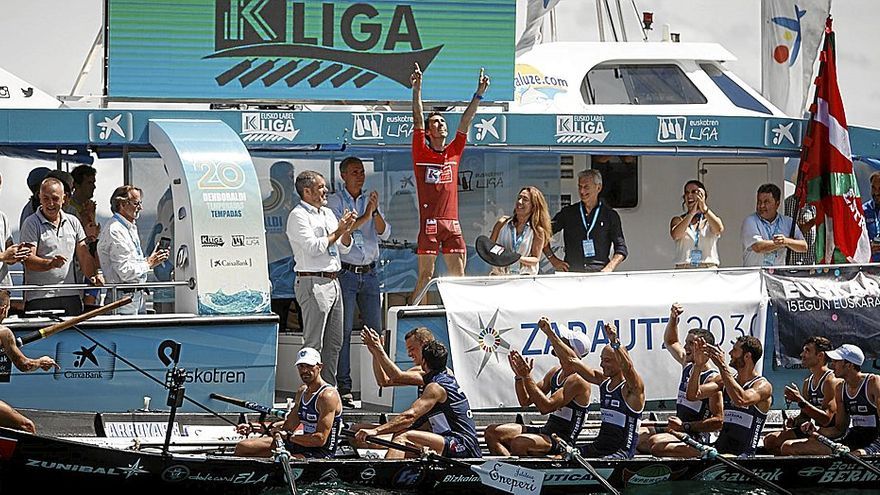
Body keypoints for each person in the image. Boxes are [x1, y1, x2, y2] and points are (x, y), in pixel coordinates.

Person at [409, 63, 489, 304]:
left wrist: (479, 94)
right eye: (435, 123)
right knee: (425, 276)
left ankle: (461, 315)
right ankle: (410, 320)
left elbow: (466, 120)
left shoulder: (453, 151)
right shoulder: (421, 151)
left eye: (443, 122)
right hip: (430, 225)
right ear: (428, 132)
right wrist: (417, 89)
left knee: (459, 278)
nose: (441, 125)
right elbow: (417, 119)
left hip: (452, 225)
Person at [327, 156, 390, 407]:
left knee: (375, 331)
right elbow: (344, 231)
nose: (360, 176)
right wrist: (366, 214)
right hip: (347, 273)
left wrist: (373, 213)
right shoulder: (334, 201)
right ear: (343, 175)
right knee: (343, 332)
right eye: (355, 172)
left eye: (362, 171)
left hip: (370, 273)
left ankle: (381, 383)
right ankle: (344, 385)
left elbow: (385, 231)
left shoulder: (369, 200)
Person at [539, 317, 645, 458]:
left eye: (607, 361)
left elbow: (628, 368)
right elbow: (571, 360)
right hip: (599, 447)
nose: (602, 365)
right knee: (561, 458)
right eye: (601, 360)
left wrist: (615, 343)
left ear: (619, 363)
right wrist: (549, 333)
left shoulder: (632, 389)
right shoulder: (602, 381)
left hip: (620, 453)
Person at [286, 171, 356, 386]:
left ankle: (328, 391)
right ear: (307, 191)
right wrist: (339, 231)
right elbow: (313, 248)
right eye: (321, 187)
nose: (326, 191)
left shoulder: (326, 213)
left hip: (334, 281)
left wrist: (346, 231)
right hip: (313, 281)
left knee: (335, 342)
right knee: (313, 344)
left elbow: (345, 247)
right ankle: (310, 394)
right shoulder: (298, 215)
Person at [355, 340, 481, 459]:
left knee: (403, 437)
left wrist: (375, 431)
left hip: (462, 444)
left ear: (424, 361)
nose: (409, 354)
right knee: (401, 438)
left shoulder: (436, 387)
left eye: (412, 349)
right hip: (447, 439)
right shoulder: (438, 377)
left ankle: (386, 478)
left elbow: (410, 416)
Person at [484, 330, 591, 456]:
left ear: (570, 349)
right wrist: (520, 377)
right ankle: (508, 470)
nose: (556, 343)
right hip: (547, 431)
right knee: (492, 432)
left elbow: (545, 407)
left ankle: (521, 473)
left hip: (562, 441)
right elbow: (525, 401)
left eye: (562, 341)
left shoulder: (578, 379)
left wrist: (527, 377)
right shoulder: (555, 372)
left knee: (520, 442)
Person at [638, 303, 723, 457]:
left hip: (697, 435)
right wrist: (673, 318)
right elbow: (670, 342)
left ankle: (696, 454)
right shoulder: (687, 363)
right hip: (678, 428)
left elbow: (718, 421)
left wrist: (686, 426)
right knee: (638, 437)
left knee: (655, 444)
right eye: (686, 342)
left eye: (691, 344)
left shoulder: (712, 379)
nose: (685, 347)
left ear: (704, 348)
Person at [234, 347, 343, 458]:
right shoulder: (302, 392)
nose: (304, 371)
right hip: (301, 444)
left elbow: (320, 439)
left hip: (321, 452)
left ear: (320, 367)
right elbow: (288, 427)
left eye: (309, 366)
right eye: (301, 366)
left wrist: (289, 437)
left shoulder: (327, 396)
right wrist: (254, 427)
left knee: (276, 458)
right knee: (243, 447)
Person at [21, 177, 103, 316]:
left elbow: (83, 255)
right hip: (40, 298)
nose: (50, 203)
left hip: (71, 297)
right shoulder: (31, 223)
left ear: (64, 199)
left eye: (55, 198)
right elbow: (28, 259)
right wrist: (50, 263)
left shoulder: (73, 222)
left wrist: (93, 275)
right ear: (39, 198)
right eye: (46, 198)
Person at [688, 336, 773, 456]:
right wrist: (697, 366)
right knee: (662, 446)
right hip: (720, 450)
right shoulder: (726, 380)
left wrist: (722, 366)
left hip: (743, 455)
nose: (730, 353)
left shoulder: (763, 385)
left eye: (734, 350)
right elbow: (693, 395)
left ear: (747, 356)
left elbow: (742, 399)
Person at [97, 186, 169, 315]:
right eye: (136, 203)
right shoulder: (115, 230)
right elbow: (125, 271)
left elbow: (131, 262)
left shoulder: (129, 227)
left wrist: (152, 258)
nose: (140, 208)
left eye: (140, 203)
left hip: (135, 295)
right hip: (123, 299)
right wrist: (149, 263)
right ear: (122, 204)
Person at [799, 344, 880, 456]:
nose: (832, 365)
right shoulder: (840, 388)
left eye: (836, 361)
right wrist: (817, 430)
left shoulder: (873, 382)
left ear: (849, 365)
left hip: (875, 442)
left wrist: (869, 450)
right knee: (789, 447)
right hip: (854, 439)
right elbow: (839, 429)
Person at [763, 336, 839, 455]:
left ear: (820, 356)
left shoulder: (831, 381)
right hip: (812, 430)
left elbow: (826, 420)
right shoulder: (807, 382)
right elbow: (804, 417)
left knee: (787, 447)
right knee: (770, 440)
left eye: (807, 351)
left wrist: (799, 400)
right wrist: (793, 421)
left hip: (829, 434)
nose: (802, 354)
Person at [544, 169, 627, 273]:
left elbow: (621, 249)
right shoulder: (568, 213)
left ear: (598, 187)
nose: (582, 191)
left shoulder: (610, 215)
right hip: (572, 272)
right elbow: (543, 234)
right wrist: (553, 260)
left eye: (586, 187)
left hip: (599, 274)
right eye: (580, 187)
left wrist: (609, 268)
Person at [0, 290, 59, 432]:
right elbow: (25, 365)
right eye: (8, 309)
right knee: (27, 427)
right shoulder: (3, 332)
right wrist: (41, 362)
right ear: (2, 310)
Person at [488, 186, 552, 275]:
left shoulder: (537, 231)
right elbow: (489, 247)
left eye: (525, 199)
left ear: (533, 206)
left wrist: (515, 258)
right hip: (500, 278)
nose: (519, 202)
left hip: (523, 281)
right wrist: (500, 254)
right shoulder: (502, 223)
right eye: (519, 198)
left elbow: (535, 259)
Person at [741, 183, 807, 267]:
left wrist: (787, 241)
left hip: (777, 277)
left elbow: (804, 246)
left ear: (777, 204)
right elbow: (758, 247)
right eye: (759, 202)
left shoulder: (788, 222)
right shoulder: (750, 221)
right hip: (755, 277)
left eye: (766, 202)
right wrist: (780, 243)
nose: (761, 206)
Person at [670, 180, 724, 268]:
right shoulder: (678, 220)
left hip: (707, 269)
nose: (689, 195)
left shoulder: (710, 220)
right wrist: (691, 213)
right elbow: (676, 235)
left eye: (694, 192)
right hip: (685, 269)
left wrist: (704, 208)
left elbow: (719, 229)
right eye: (687, 193)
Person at [69, 165, 101, 308]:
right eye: (89, 183)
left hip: (90, 256)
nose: (94, 187)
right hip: (77, 263)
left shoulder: (88, 206)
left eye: (94, 183)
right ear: (77, 185)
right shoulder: (70, 209)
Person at [0, 173, 31, 286]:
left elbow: (8, 249)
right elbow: (4, 255)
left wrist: (16, 254)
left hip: (3, 286)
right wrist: (4, 256)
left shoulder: (2, 217)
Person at [862, 171, 880, 263]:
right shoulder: (863, 210)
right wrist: (867, 246)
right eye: (873, 188)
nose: (876, 192)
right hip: (869, 267)